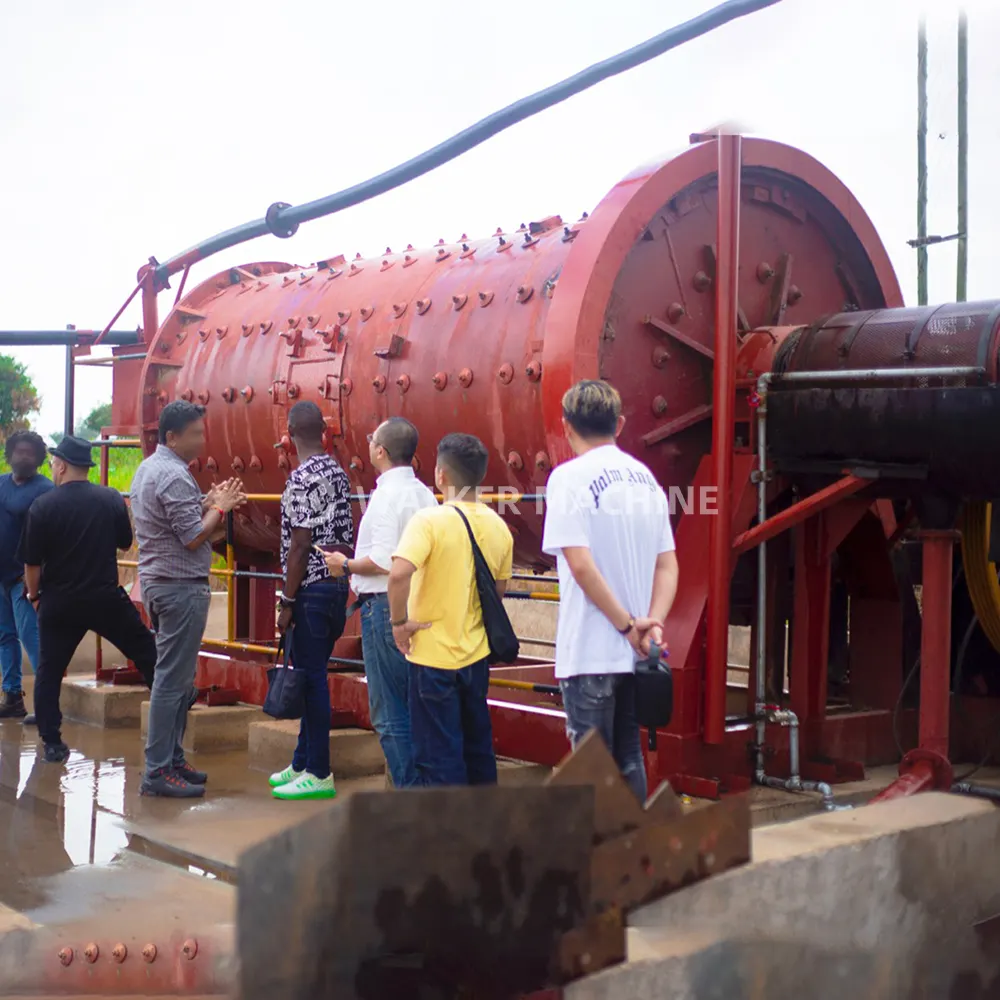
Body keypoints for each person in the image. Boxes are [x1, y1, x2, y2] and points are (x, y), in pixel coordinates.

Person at [541, 379, 679, 803]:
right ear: (618, 423)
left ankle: (595, 862)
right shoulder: (646, 480)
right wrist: (650, 624)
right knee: (630, 760)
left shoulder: (567, 479)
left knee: (591, 767)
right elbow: (667, 564)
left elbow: (580, 565)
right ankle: (632, 853)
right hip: (636, 655)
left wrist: (626, 626)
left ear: (566, 426)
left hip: (592, 651)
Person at [130, 401, 246, 798]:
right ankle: (158, 770)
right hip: (179, 588)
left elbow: (174, 520)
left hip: (160, 584)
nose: (202, 439)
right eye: (195, 433)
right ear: (172, 437)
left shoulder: (151, 468)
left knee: (176, 680)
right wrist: (219, 507)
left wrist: (204, 503)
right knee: (170, 681)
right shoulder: (174, 476)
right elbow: (194, 536)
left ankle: (173, 759)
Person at [18, 436, 158, 763]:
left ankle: (52, 742)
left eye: (54, 463)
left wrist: (35, 596)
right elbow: (125, 543)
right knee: (145, 649)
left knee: (50, 672)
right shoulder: (109, 498)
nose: (52, 468)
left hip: (59, 602)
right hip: (105, 597)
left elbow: (31, 564)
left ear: (63, 465)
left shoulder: (43, 506)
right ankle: (174, 707)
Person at [387, 433, 513, 787]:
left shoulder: (429, 521)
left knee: (437, 756)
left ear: (441, 475)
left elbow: (398, 574)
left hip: (431, 658)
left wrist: (399, 624)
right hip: (476, 657)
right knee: (477, 751)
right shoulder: (499, 527)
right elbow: (498, 592)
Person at [324, 418, 437, 788]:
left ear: (380, 452)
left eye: (373, 439)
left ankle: (411, 800)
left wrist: (345, 565)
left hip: (386, 608)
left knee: (389, 714)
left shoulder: (388, 496)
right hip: (419, 604)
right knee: (417, 708)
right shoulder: (423, 493)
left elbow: (387, 562)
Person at [270, 401, 354, 801]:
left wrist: (286, 599)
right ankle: (302, 760)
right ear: (323, 431)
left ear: (288, 434)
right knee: (310, 673)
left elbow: (300, 543)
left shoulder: (300, 477)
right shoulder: (338, 471)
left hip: (311, 589)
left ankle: (319, 772)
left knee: (313, 679)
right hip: (337, 587)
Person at [0, 431, 52, 720]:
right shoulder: (0, 484)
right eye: (18, 451)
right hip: (1, 576)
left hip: (24, 578)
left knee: (30, 637)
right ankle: (11, 697)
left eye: (29, 452)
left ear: (38, 458)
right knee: (5, 637)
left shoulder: (44, 490)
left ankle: (46, 703)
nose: (23, 456)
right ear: (9, 455)